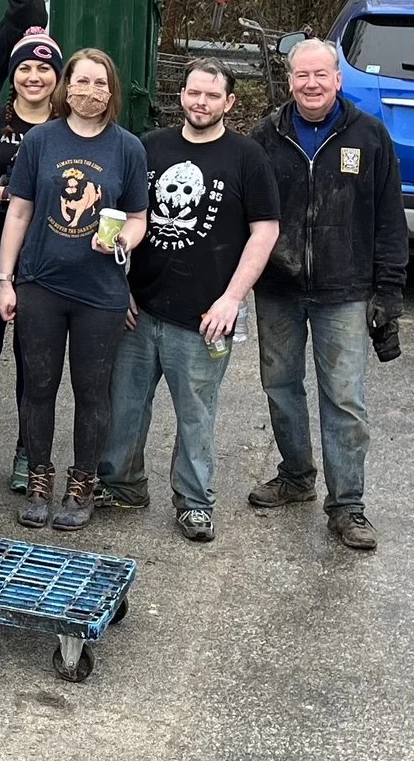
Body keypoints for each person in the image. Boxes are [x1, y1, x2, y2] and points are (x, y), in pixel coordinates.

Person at [101, 61, 281, 540]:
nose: (201, 103)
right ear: (180, 95)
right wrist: (118, 289)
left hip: (205, 317)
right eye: (193, 93)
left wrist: (232, 301)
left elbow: (265, 232)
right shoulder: (148, 147)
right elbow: (117, 215)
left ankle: (195, 502)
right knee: (125, 403)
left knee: (196, 413)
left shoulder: (247, 157)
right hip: (139, 306)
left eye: (211, 95)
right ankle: (121, 485)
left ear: (229, 102)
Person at [247, 38, 407, 552]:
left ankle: (348, 506)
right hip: (278, 287)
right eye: (302, 75)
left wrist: (388, 292)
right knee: (280, 387)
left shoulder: (371, 137)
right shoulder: (264, 139)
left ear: (338, 79)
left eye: (321, 75)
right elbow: (243, 219)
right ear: (289, 80)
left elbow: (390, 223)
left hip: (345, 289)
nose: (311, 84)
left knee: (344, 399)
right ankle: (296, 476)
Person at [0, 49, 151, 531]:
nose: (89, 92)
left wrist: (125, 238)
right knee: (38, 388)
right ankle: (38, 479)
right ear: (67, 86)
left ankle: (82, 483)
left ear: (112, 92)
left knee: (92, 392)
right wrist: (5, 281)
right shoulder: (41, 141)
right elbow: (18, 212)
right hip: (41, 284)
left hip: (100, 293)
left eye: (99, 84)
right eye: (81, 82)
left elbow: (140, 217)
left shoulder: (128, 147)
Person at [0, 29, 62, 492]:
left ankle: (28, 453)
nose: (34, 77)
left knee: (34, 363)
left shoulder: (69, 127)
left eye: (44, 69)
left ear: (57, 78)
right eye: (25, 68)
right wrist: (10, 194)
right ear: (12, 74)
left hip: (46, 265)